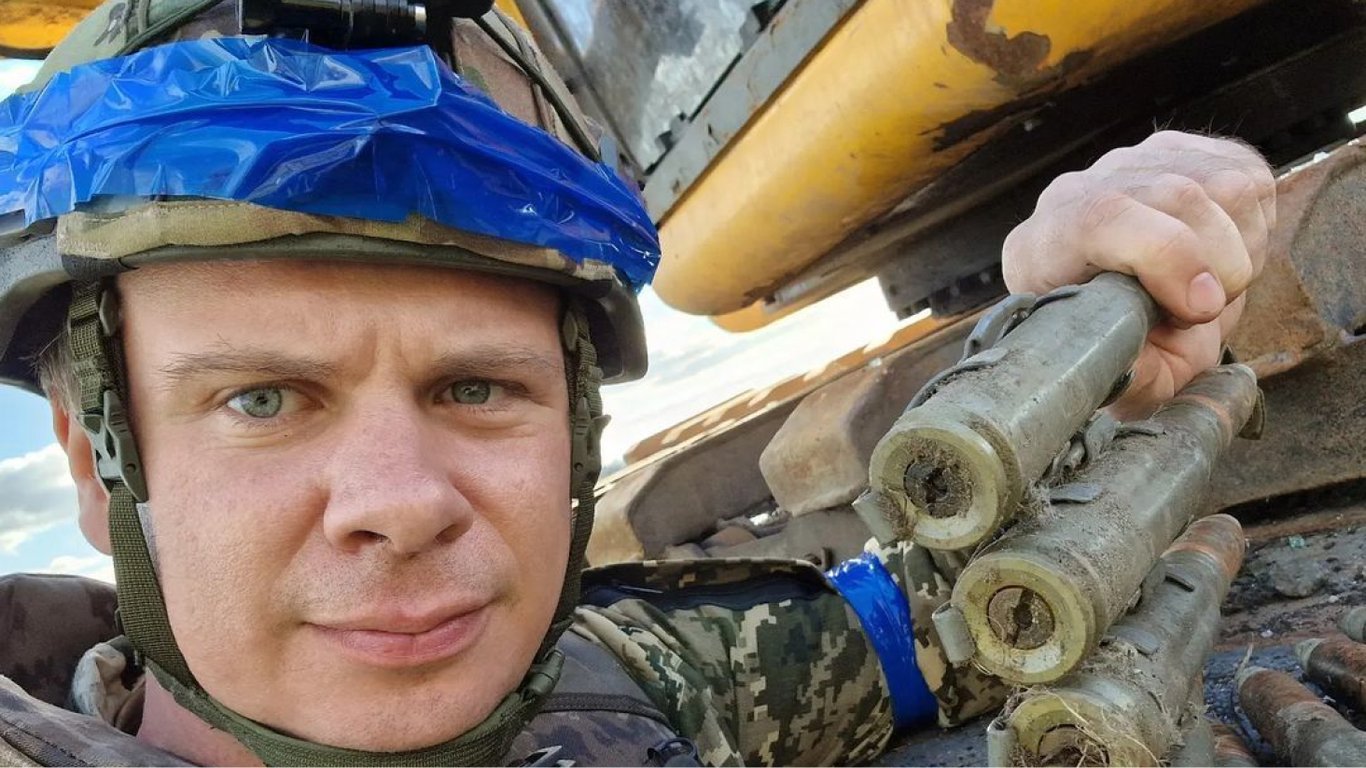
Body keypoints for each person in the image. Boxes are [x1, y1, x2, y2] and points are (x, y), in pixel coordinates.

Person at [0, 1, 1273, 765]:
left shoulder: (646, 680)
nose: (403, 502)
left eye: (475, 389)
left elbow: (980, 617)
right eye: (263, 400)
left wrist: (1075, 347)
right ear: (93, 462)